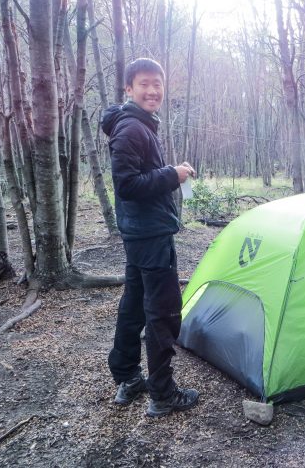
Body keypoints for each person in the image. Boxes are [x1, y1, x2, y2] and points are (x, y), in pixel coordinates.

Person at [101, 58, 198, 417]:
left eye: (157, 83)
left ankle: (127, 377)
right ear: (129, 88)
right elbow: (127, 186)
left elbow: (137, 176)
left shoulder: (137, 124)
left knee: (133, 306)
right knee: (163, 313)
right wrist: (172, 176)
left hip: (138, 232)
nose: (153, 90)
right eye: (144, 83)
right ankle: (163, 393)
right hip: (149, 235)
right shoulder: (131, 129)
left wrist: (170, 173)